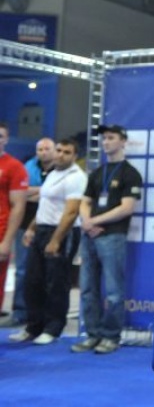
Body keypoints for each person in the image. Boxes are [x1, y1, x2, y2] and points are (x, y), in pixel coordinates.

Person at [71, 125, 143, 355]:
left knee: (113, 290)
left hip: (113, 237)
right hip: (89, 236)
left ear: (123, 141)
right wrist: (86, 221)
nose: (106, 142)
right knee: (88, 289)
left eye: (111, 138)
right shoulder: (97, 173)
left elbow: (126, 208)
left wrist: (95, 221)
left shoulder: (130, 173)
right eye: (103, 139)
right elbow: (85, 201)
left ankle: (111, 336)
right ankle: (92, 334)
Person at [8, 138, 87, 345]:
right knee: (33, 281)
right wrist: (32, 228)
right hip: (42, 228)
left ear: (74, 156)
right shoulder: (53, 173)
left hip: (63, 231)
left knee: (56, 283)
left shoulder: (76, 177)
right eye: (59, 150)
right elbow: (45, 204)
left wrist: (56, 240)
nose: (60, 155)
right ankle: (33, 326)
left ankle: (53, 328)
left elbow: (71, 212)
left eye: (66, 152)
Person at [0, 137, 55, 327]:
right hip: (25, 226)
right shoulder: (29, 166)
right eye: (40, 149)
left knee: (48, 273)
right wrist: (43, 191)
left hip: (51, 226)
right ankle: (20, 311)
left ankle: (45, 316)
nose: (43, 152)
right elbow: (25, 194)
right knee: (22, 270)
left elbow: (52, 194)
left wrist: (40, 192)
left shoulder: (61, 169)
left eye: (47, 149)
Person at [0, 122, 29, 315]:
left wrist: (7, 241)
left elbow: (19, 206)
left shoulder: (14, 167)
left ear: (6, 139)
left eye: (0, 136)